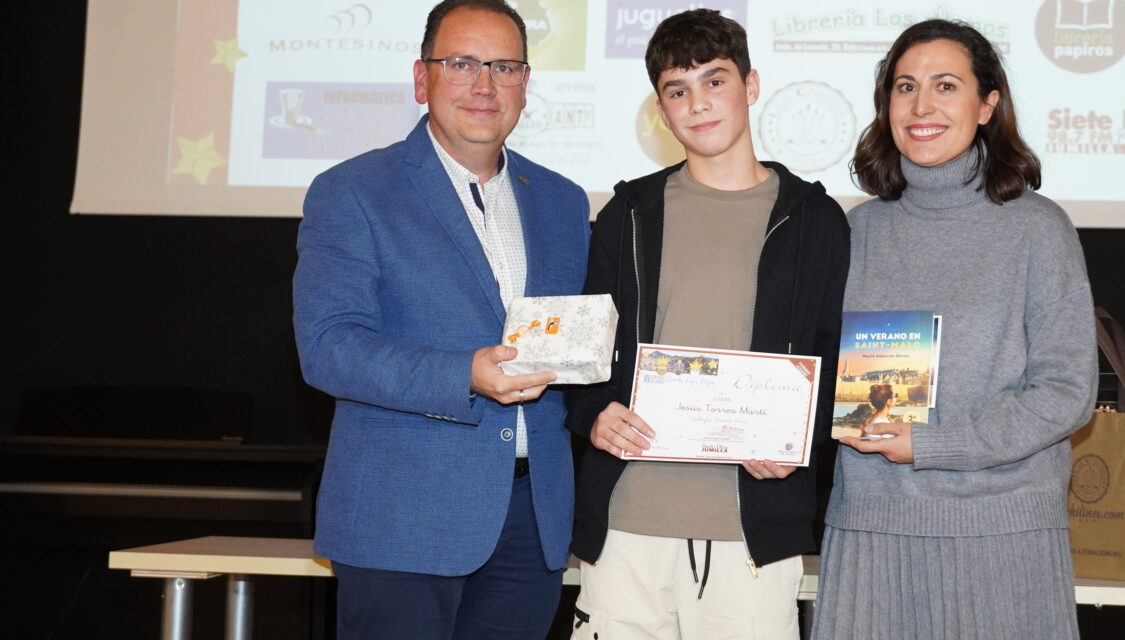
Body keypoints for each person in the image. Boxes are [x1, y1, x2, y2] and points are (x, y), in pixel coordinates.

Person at [291, 1, 589, 637]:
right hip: (401, 520)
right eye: (462, 64)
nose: (485, 85)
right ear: (422, 79)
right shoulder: (353, 190)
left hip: (532, 521)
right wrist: (465, 374)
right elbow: (328, 347)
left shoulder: (563, 201)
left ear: (525, 84)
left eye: (504, 67)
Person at [564, 9, 849, 639]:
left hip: (753, 528)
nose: (698, 103)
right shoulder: (629, 213)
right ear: (661, 112)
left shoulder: (816, 220)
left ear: (750, 86)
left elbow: (833, 360)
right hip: (628, 518)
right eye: (678, 89)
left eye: (715, 81)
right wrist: (593, 412)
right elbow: (588, 354)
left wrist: (798, 439)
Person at [812, 19, 1098, 639]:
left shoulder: (1037, 230)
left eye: (946, 85)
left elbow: (1066, 392)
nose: (921, 106)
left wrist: (931, 444)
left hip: (1001, 540)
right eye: (904, 87)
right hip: (871, 532)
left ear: (987, 103)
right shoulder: (857, 232)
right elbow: (818, 370)